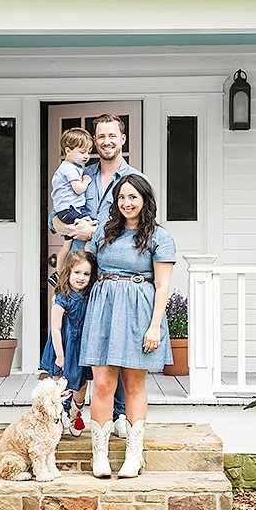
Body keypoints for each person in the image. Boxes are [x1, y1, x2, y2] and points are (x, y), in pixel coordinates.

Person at [50, 113, 145, 439]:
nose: (106, 141)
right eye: (100, 136)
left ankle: (118, 413)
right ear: (94, 140)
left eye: (111, 136)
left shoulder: (134, 179)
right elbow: (54, 220)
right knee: (70, 336)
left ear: (123, 139)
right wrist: (70, 227)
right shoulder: (79, 172)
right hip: (80, 270)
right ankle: (64, 411)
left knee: (113, 339)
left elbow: (143, 224)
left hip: (114, 273)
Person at [79, 174, 176, 478]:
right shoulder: (104, 234)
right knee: (104, 385)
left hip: (139, 313)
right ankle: (100, 456)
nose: (127, 203)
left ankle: (133, 457)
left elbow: (162, 286)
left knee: (134, 386)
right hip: (103, 310)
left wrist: (155, 327)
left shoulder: (159, 237)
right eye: (122, 197)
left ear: (145, 200)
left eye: (133, 197)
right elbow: (85, 267)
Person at [40, 250, 96, 437]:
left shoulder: (90, 296)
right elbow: (55, 329)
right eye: (77, 273)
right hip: (62, 345)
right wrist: (60, 356)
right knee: (58, 384)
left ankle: (75, 414)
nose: (81, 278)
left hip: (81, 346)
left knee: (80, 385)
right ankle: (57, 417)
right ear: (68, 273)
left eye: (86, 274)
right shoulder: (62, 298)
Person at [48, 128, 95, 287]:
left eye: (88, 151)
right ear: (68, 151)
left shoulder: (68, 167)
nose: (86, 156)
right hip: (69, 210)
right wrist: (87, 180)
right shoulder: (70, 168)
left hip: (65, 210)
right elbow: (79, 189)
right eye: (82, 152)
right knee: (91, 231)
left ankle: (58, 274)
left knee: (66, 245)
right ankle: (87, 258)